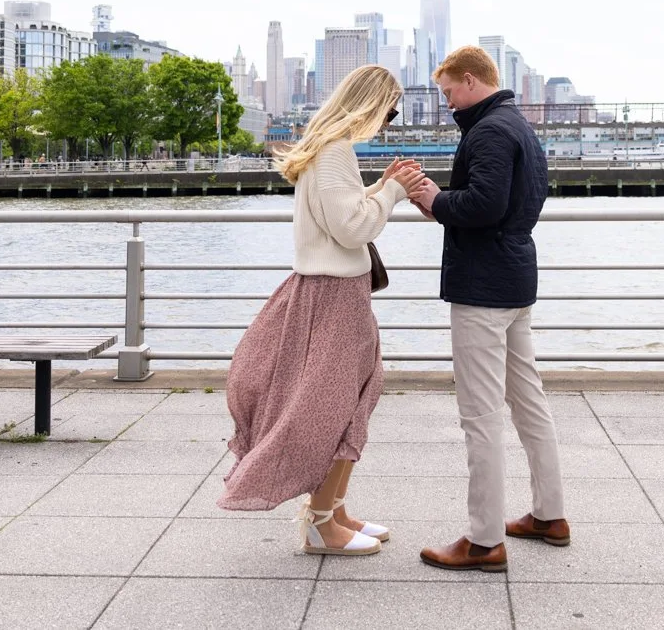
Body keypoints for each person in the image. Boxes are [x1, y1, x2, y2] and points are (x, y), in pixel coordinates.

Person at [218, 64, 424, 557]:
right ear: (370, 103)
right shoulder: (334, 152)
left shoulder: (329, 148)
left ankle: (332, 510)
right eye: (389, 111)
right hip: (334, 296)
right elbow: (352, 231)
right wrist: (394, 192)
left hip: (337, 293)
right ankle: (321, 525)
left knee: (351, 400)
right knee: (335, 408)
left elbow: (342, 214)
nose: (388, 122)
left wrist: (381, 185)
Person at [408, 46, 568, 573]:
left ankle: (483, 541)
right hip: (515, 278)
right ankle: (549, 515)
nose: (448, 103)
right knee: (528, 401)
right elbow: (517, 204)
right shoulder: (518, 125)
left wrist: (435, 199)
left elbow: (483, 205)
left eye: (449, 92)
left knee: (479, 416)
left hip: (482, 287)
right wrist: (444, 203)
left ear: (471, 80)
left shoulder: (490, 131)